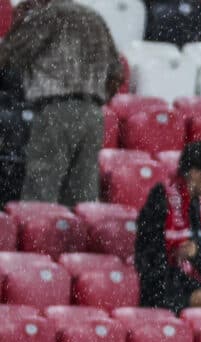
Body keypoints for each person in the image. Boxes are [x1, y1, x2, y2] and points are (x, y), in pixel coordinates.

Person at [0, 0, 122, 206]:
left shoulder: (47, 16)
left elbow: (9, 54)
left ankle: (42, 238)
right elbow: (117, 73)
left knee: (41, 197)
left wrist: (18, 24)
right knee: (82, 201)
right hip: (93, 114)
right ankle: (74, 237)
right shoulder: (95, 18)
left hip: (56, 110)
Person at [135, 141, 201, 313]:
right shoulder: (162, 198)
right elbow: (152, 262)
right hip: (162, 289)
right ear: (195, 173)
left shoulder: (198, 206)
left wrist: (198, 263)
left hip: (185, 282)